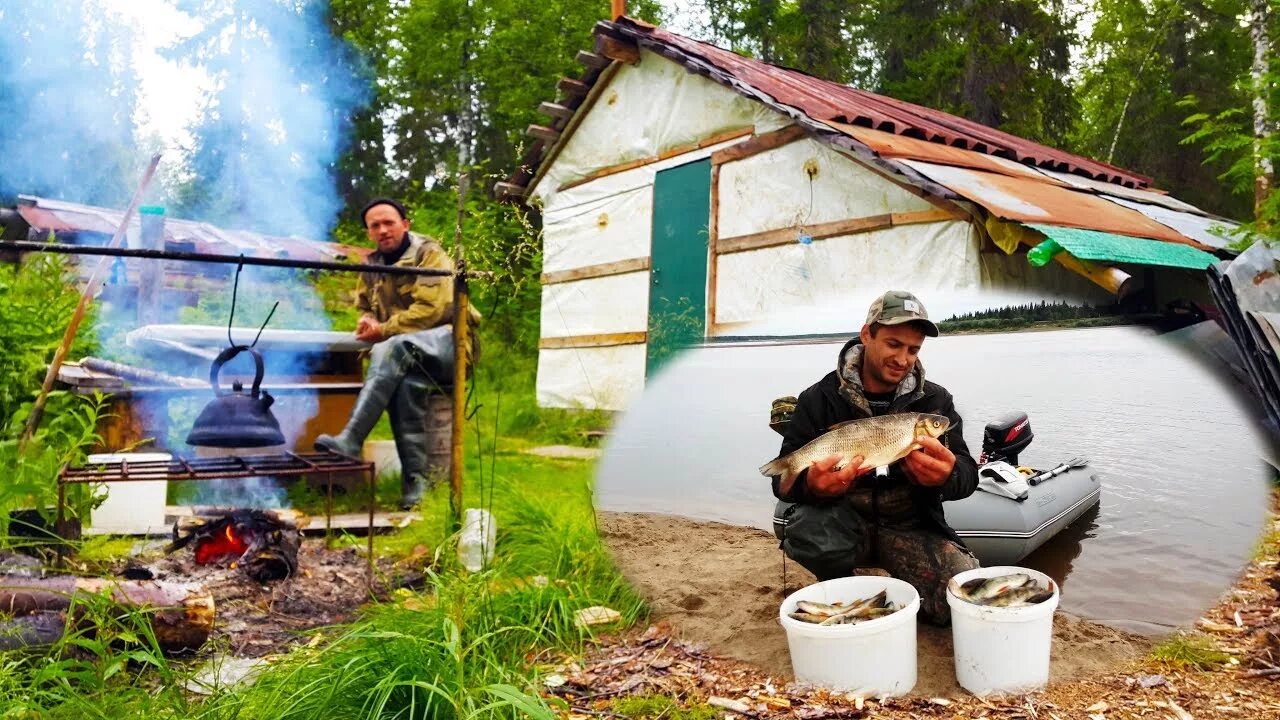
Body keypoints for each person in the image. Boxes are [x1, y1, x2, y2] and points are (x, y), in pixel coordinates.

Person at [767, 290, 979, 626]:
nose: (903, 359)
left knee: (958, 603)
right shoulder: (818, 399)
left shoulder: (936, 402)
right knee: (810, 532)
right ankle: (842, 579)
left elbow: (968, 475)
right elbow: (783, 483)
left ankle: (894, 582)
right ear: (867, 335)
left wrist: (947, 476)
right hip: (843, 521)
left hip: (911, 524)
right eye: (894, 344)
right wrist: (814, 486)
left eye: (914, 349)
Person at [315, 197, 479, 509]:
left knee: (391, 345)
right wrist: (366, 320)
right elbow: (364, 307)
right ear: (368, 233)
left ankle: (351, 438)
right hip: (410, 356)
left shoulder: (429, 254)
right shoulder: (371, 265)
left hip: (452, 347)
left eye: (389, 222)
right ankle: (416, 487)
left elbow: (431, 310)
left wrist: (384, 330)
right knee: (405, 387)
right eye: (375, 225)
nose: (383, 229)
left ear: (405, 224)